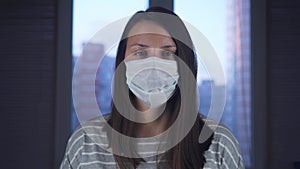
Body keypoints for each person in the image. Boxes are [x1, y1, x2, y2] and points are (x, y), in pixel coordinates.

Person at [60, 7, 245, 169]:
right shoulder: (86, 143)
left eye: (167, 53)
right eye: (140, 52)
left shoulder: (219, 143)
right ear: (122, 63)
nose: (153, 66)